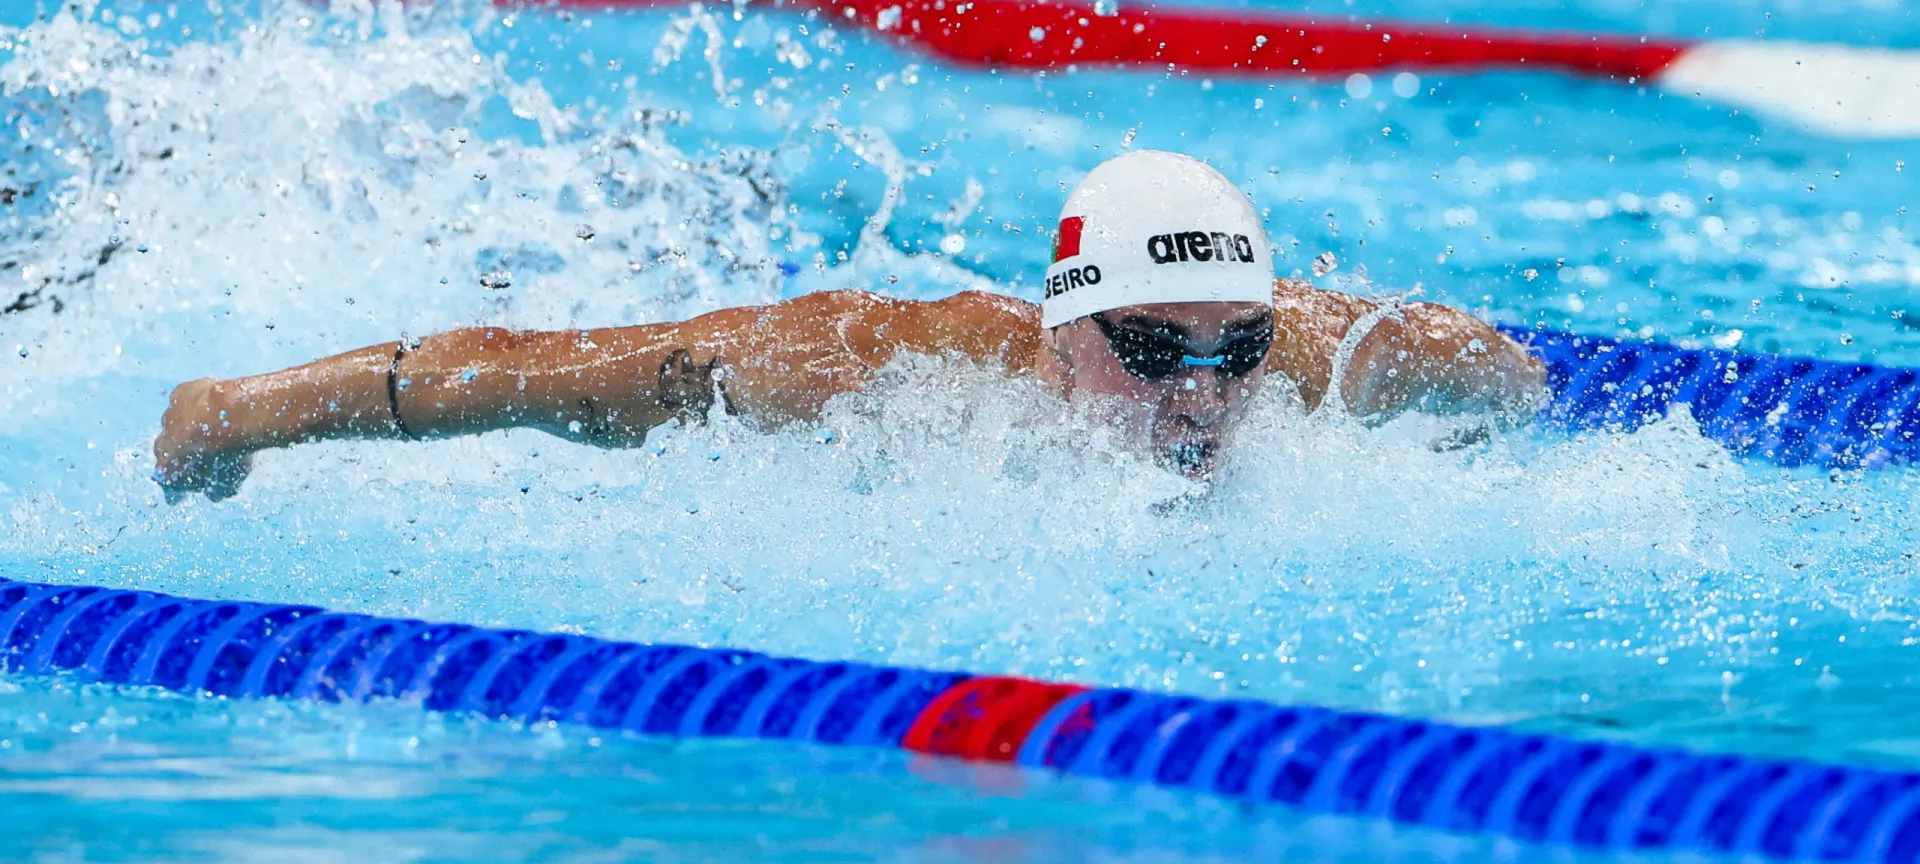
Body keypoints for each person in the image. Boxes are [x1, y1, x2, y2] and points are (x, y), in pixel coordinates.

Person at [153, 151, 1546, 501]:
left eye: (1231, 349)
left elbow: (1501, 373)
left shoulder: (1300, 353)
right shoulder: (870, 363)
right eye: (1151, 351)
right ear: (1063, 335)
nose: (1201, 394)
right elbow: (512, 376)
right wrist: (235, 418)